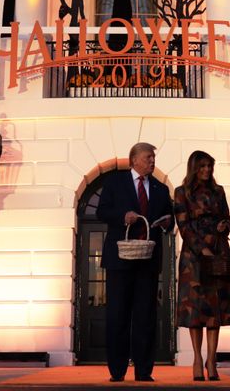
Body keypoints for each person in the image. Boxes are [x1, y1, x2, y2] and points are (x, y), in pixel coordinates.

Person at [96, 142, 173, 383]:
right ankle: (117, 371)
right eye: (148, 157)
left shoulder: (160, 189)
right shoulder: (114, 183)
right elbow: (101, 212)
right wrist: (122, 217)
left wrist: (166, 222)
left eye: (153, 157)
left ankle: (143, 371)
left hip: (148, 261)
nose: (152, 161)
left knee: (146, 317)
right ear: (134, 160)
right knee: (118, 316)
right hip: (119, 260)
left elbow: (170, 221)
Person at [173, 151, 230, 382]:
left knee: (216, 309)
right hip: (194, 258)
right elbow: (183, 225)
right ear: (194, 167)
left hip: (218, 253)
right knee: (195, 309)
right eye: (202, 166)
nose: (207, 170)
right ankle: (196, 359)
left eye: (210, 166)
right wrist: (202, 249)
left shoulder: (218, 191)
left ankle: (212, 360)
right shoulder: (182, 193)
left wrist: (224, 225)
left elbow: (229, 219)